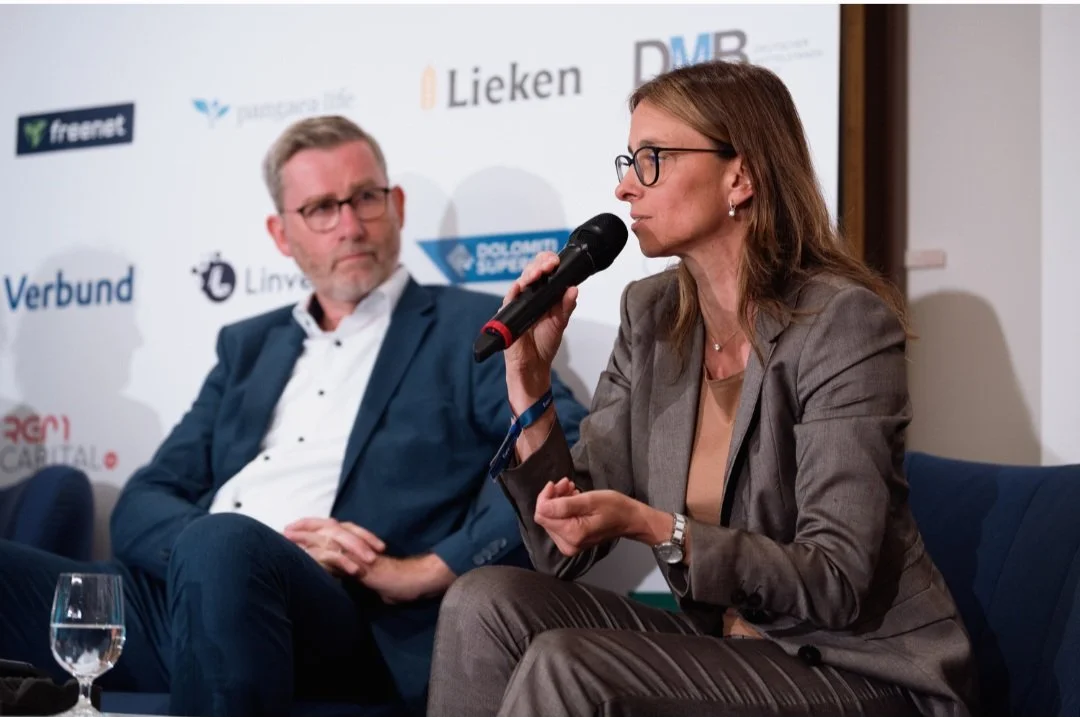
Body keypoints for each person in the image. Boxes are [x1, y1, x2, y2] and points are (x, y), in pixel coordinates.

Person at [427, 60, 979, 717]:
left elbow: (836, 581)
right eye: (628, 160)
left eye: (652, 159)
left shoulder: (842, 323)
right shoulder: (652, 316)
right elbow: (560, 552)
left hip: (859, 670)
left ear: (739, 177)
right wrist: (530, 385)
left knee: (568, 663)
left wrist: (657, 526)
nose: (625, 186)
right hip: (729, 650)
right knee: (483, 600)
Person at [0, 115, 588, 717]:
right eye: (322, 209)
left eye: (365, 198)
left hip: (339, 616)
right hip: (183, 596)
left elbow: (566, 448)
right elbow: (146, 498)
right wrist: (219, 554)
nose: (352, 225)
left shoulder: (474, 329)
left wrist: (430, 569)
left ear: (398, 205)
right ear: (282, 234)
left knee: (224, 542)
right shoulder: (248, 346)